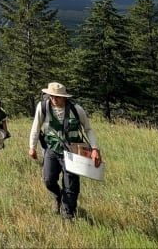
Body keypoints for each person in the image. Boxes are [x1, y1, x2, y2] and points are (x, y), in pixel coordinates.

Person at [28, 82, 101, 220]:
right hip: (52, 149)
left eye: (57, 97)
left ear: (65, 98)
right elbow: (36, 127)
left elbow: (88, 129)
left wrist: (95, 149)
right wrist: (32, 147)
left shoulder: (77, 109)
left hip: (72, 153)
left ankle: (68, 216)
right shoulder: (43, 107)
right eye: (51, 96)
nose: (53, 100)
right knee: (48, 180)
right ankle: (59, 198)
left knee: (71, 186)